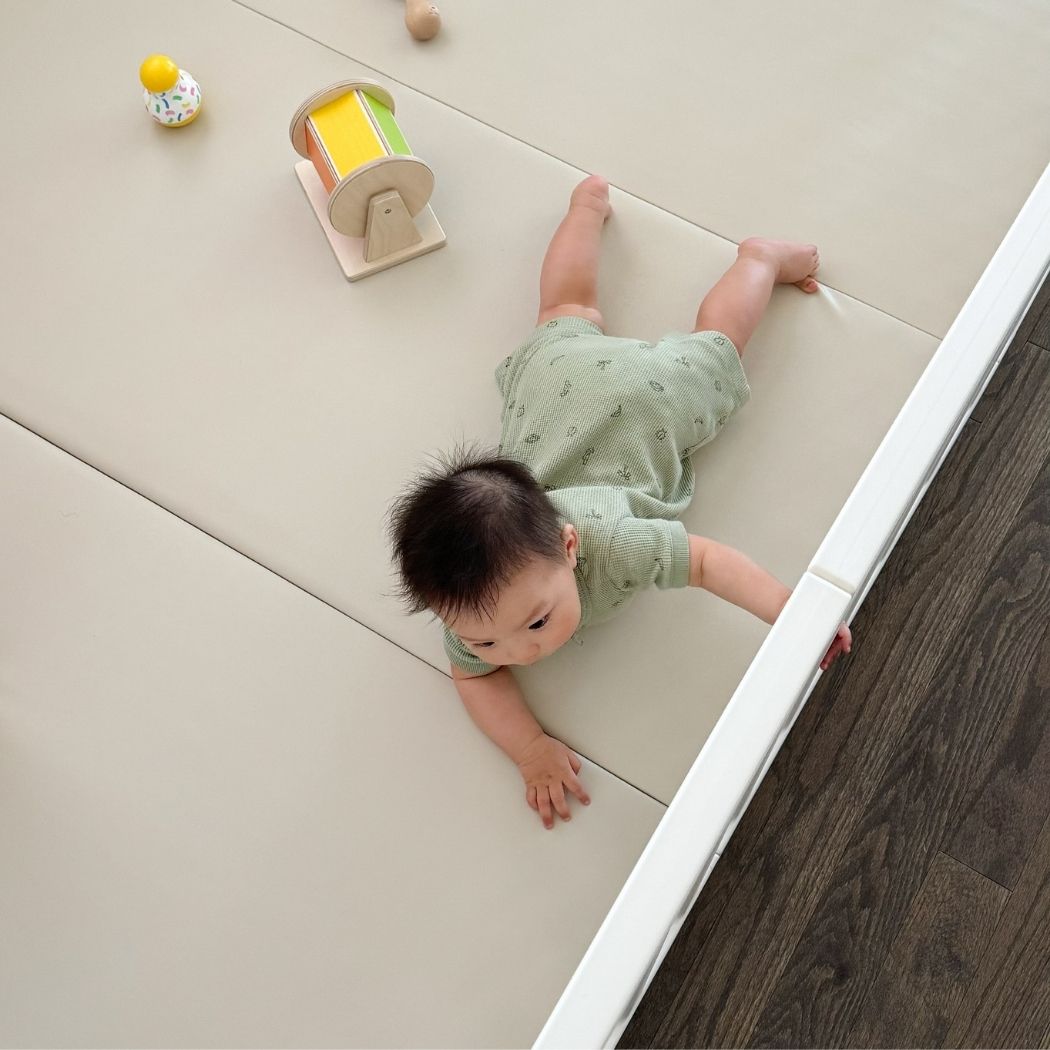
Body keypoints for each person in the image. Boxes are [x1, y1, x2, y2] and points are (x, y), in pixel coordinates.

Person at [387, 175, 852, 830]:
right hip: (554, 385)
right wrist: (529, 749)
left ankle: (761, 260)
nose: (519, 653)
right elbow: (474, 676)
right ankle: (586, 208)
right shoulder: (471, 602)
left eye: (537, 624)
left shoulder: (612, 538)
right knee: (562, 310)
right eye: (486, 639)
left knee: (718, 348)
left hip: (643, 401)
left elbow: (707, 563)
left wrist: (789, 614)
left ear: (571, 547)